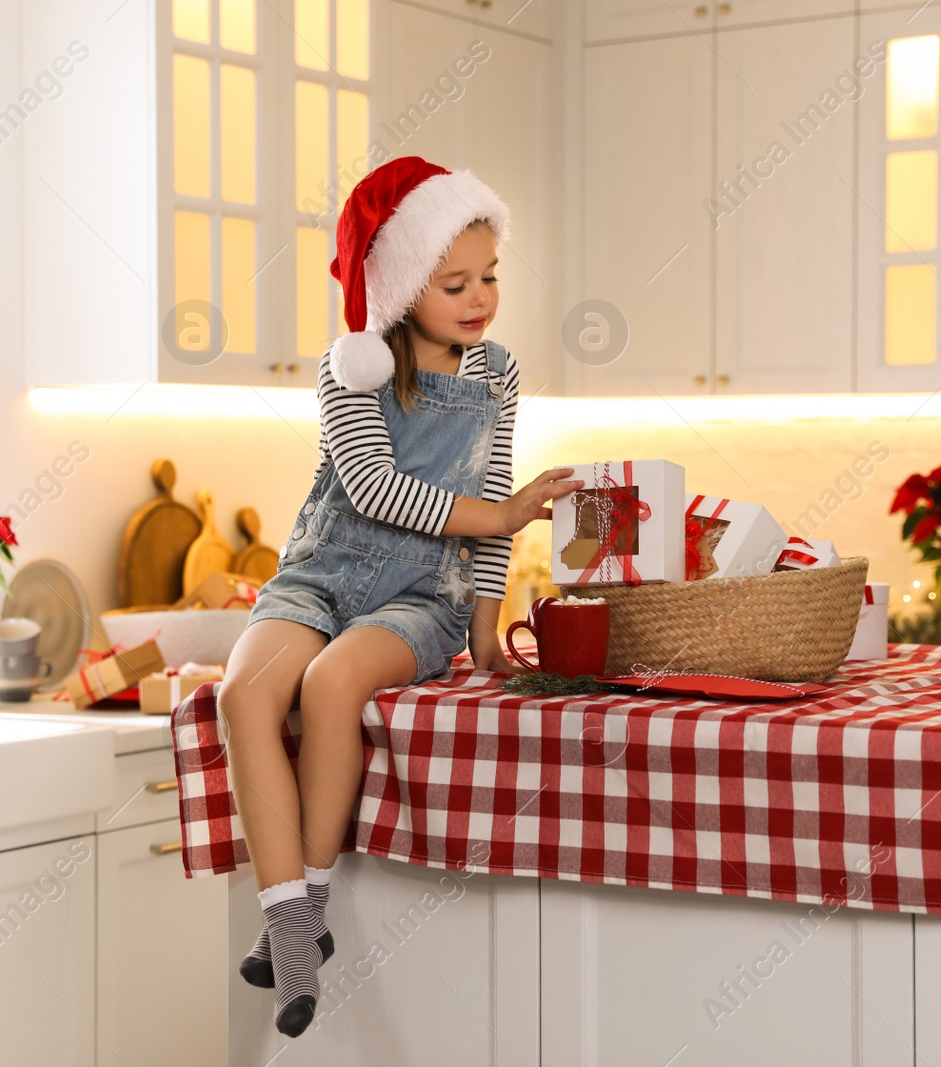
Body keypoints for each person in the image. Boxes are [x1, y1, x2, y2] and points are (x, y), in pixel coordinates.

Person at [216, 156, 581, 1037]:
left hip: (424, 595)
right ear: (403, 283)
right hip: (319, 574)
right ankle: (296, 923)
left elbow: (490, 514)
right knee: (244, 693)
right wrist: (501, 509)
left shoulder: (497, 373)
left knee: (334, 684)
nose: (479, 296)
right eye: (454, 281)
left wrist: (486, 631)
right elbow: (375, 486)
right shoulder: (349, 371)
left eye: (489, 275)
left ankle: (300, 914)